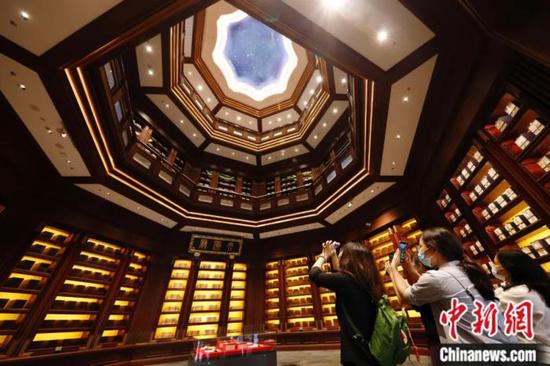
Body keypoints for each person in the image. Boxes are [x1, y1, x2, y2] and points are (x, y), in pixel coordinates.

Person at [385, 227, 515, 343]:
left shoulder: (438, 278)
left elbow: (404, 297)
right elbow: (429, 286)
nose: (419, 251)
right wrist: (409, 268)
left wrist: (392, 269)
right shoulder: (465, 268)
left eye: (421, 246)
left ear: (432, 249)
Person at [309, 240, 383, 366]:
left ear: (349, 259)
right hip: (375, 346)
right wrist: (332, 255)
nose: (339, 256)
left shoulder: (346, 281)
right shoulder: (370, 280)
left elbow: (314, 274)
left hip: (356, 350)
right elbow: (340, 274)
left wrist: (323, 255)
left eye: (340, 254)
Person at [493, 250, 550, 363]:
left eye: (495, 264)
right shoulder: (536, 286)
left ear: (507, 267)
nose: (494, 268)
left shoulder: (518, 293)